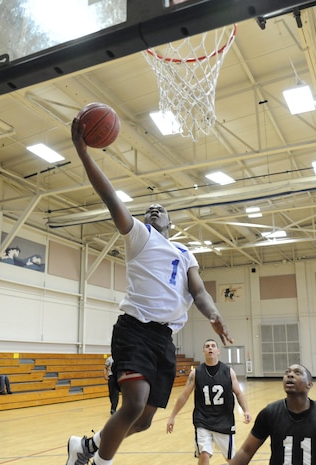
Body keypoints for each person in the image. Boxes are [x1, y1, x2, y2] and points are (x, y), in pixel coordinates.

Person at [66, 118, 233, 465]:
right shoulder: (140, 237)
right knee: (134, 403)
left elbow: (198, 291)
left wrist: (214, 314)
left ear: (171, 224)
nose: (154, 209)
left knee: (142, 420)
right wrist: (84, 155)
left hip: (164, 340)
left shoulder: (186, 252)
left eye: (161, 209)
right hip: (136, 330)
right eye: (149, 209)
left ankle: (86, 447)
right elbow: (110, 196)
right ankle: (98, 462)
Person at [229, 364, 316, 465]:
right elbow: (246, 451)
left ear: (309, 384)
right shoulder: (269, 413)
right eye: (287, 372)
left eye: (297, 373)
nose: (290, 375)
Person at [167, 339, 252, 465]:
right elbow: (184, 395)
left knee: (231, 459)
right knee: (204, 454)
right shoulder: (196, 373)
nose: (210, 348)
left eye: (213, 346)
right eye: (207, 346)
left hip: (224, 421)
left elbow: (238, 393)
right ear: (203, 351)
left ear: (218, 351)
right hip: (203, 420)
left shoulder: (228, 372)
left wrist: (246, 410)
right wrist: (172, 416)